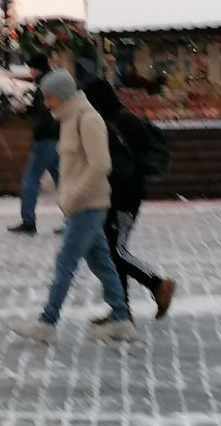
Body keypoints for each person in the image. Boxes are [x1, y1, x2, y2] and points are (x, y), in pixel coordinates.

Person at [11, 70, 136, 344]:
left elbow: (101, 164)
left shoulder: (87, 119)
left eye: (50, 97)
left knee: (65, 263)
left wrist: (75, 196)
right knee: (103, 264)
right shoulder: (68, 119)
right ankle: (121, 319)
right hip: (80, 206)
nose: (46, 103)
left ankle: (47, 322)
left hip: (87, 205)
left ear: (64, 95)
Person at [83, 78, 175, 321]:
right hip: (122, 194)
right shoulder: (119, 118)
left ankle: (157, 283)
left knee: (115, 250)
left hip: (124, 196)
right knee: (112, 250)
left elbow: (120, 164)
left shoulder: (118, 122)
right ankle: (120, 310)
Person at [8, 52, 59, 235]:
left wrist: (26, 112)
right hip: (56, 138)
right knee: (62, 179)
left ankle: (28, 220)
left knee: (31, 178)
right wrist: (27, 111)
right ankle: (73, 218)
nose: (29, 71)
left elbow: (45, 114)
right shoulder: (52, 82)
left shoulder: (44, 86)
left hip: (44, 139)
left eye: (31, 67)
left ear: (36, 68)